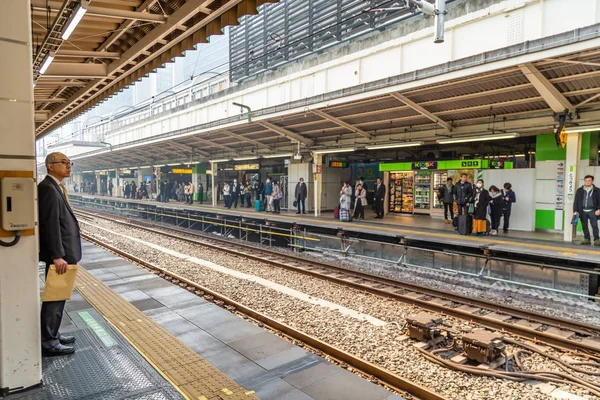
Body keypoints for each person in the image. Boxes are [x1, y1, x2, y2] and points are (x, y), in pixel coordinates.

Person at [38, 152, 81, 356]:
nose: (68, 166)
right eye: (63, 163)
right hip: (60, 255)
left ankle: (52, 334)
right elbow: (50, 224)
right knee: (55, 297)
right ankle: (48, 342)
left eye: (69, 163)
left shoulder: (55, 187)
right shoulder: (48, 189)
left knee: (59, 296)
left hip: (63, 253)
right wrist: (57, 255)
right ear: (50, 166)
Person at [574, 175, 600, 245]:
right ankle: (587, 239)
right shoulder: (579, 190)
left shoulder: (597, 190)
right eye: (586, 181)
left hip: (593, 210)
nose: (587, 182)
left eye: (589, 181)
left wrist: (599, 209)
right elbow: (576, 201)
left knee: (594, 225)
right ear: (584, 181)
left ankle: (597, 239)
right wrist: (575, 210)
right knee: (584, 225)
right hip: (582, 211)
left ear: (592, 181)